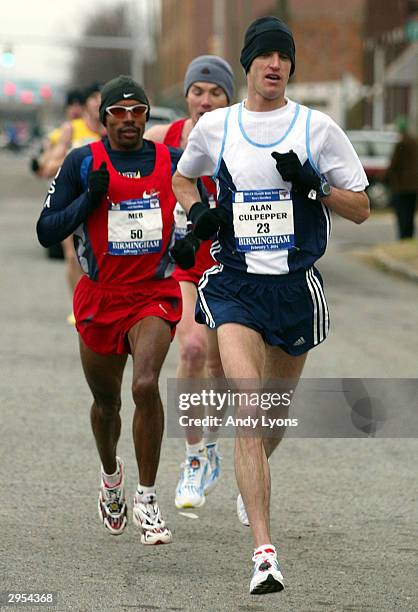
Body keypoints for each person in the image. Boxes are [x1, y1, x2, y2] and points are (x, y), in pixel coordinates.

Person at [171, 16, 370, 594]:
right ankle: (264, 555)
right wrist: (199, 213)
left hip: (293, 291)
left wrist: (313, 186)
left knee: (272, 417)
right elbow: (186, 182)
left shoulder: (317, 128)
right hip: (235, 286)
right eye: (265, 56)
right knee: (251, 413)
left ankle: (247, 480)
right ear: (249, 64)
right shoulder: (217, 127)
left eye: (284, 56)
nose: (275, 65)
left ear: (290, 67)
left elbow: (360, 207)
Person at [36, 75, 183, 545]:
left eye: (137, 111)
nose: (128, 120)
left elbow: (205, 202)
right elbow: (46, 228)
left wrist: (198, 233)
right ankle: (111, 476)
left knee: (145, 385)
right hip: (100, 296)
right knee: (107, 404)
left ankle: (147, 497)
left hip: (152, 293)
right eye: (118, 113)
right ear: (105, 120)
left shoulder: (169, 160)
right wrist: (88, 199)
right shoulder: (83, 162)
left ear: (146, 115)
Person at [145, 55, 234, 509]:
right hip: (182, 265)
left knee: (219, 369)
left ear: (228, 98)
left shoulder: (240, 136)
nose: (205, 100)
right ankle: (193, 456)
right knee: (193, 349)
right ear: (186, 97)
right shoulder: (164, 138)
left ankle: (213, 446)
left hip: (226, 266)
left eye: (215, 92)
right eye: (197, 92)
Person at [37, 83, 106, 323]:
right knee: (72, 256)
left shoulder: (115, 128)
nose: (98, 102)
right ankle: (80, 307)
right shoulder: (71, 129)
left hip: (103, 204)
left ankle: (100, 303)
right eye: (93, 98)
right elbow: (48, 164)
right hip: (72, 202)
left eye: (101, 97)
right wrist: (69, 161)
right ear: (86, 103)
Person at [385, 116, 418, 239]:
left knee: (402, 213)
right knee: (410, 213)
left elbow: (394, 164)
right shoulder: (415, 142)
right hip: (414, 186)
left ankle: (403, 236)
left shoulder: (401, 144)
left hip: (401, 186)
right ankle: (409, 235)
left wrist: (384, 177)